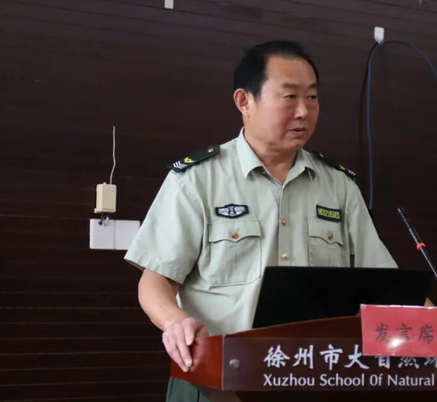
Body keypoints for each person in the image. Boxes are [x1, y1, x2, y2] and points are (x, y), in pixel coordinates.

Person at [124, 41, 398, 402]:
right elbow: (156, 280)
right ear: (244, 101)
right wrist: (176, 322)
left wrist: (436, 325)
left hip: (311, 377)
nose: (303, 111)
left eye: (312, 98)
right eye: (289, 97)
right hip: (215, 381)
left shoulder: (339, 186)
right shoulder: (197, 180)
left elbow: (385, 286)